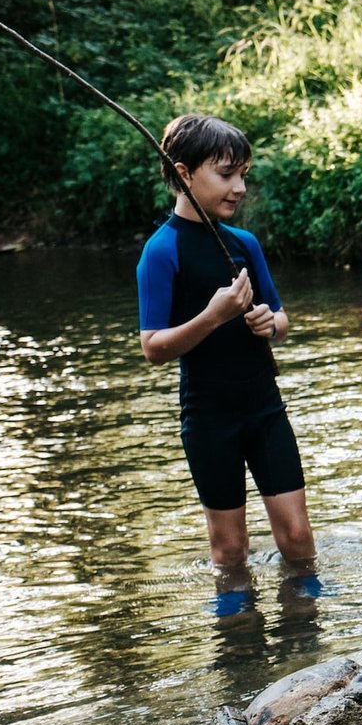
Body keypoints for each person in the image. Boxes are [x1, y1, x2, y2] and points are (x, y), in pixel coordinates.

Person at [136, 114, 316, 578]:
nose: (238, 187)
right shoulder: (162, 251)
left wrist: (267, 325)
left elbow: (281, 317)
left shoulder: (244, 244)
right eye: (225, 174)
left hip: (264, 407)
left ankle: (308, 635)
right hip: (209, 416)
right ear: (183, 173)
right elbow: (153, 347)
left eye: (243, 175)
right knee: (230, 550)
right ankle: (238, 642)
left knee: (298, 538)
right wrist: (214, 316)